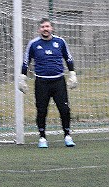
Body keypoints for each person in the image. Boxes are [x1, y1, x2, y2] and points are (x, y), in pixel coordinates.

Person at [18, 17, 77, 148]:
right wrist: (22, 77)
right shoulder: (33, 44)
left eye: (47, 26)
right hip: (41, 83)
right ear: (39, 29)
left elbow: (68, 58)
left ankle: (67, 135)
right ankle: (42, 137)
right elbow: (26, 62)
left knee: (64, 109)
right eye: (43, 27)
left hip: (58, 82)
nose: (45, 29)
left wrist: (72, 74)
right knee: (41, 110)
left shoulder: (60, 42)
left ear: (52, 28)